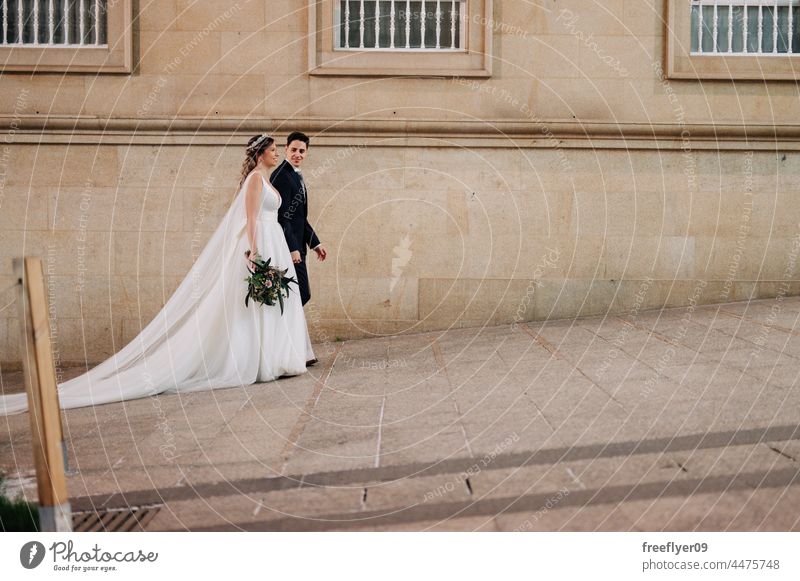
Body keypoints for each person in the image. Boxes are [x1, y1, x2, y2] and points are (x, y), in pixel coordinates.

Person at [0, 135, 314, 415]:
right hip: (261, 242)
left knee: (272, 302)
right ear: (261, 154)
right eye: (274, 150)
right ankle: (258, 360)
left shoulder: (268, 179)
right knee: (255, 304)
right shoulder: (256, 182)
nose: (278, 154)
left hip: (275, 242)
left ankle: (275, 356)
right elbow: (249, 217)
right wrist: (254, 253)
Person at [270, 132, 327, 308]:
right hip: (289, 247)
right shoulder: (282, 176)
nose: (298, 154)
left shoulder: (294, 174)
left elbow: (300, 217)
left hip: (297, 245)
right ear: (286, 149)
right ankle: (283, 332)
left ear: (306, 152)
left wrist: (315, 243)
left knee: (294, 294)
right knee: (301, 293)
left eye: (302, 151)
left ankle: (286, 333)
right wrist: (293, 248)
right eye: (293, 149)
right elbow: (282, 217)